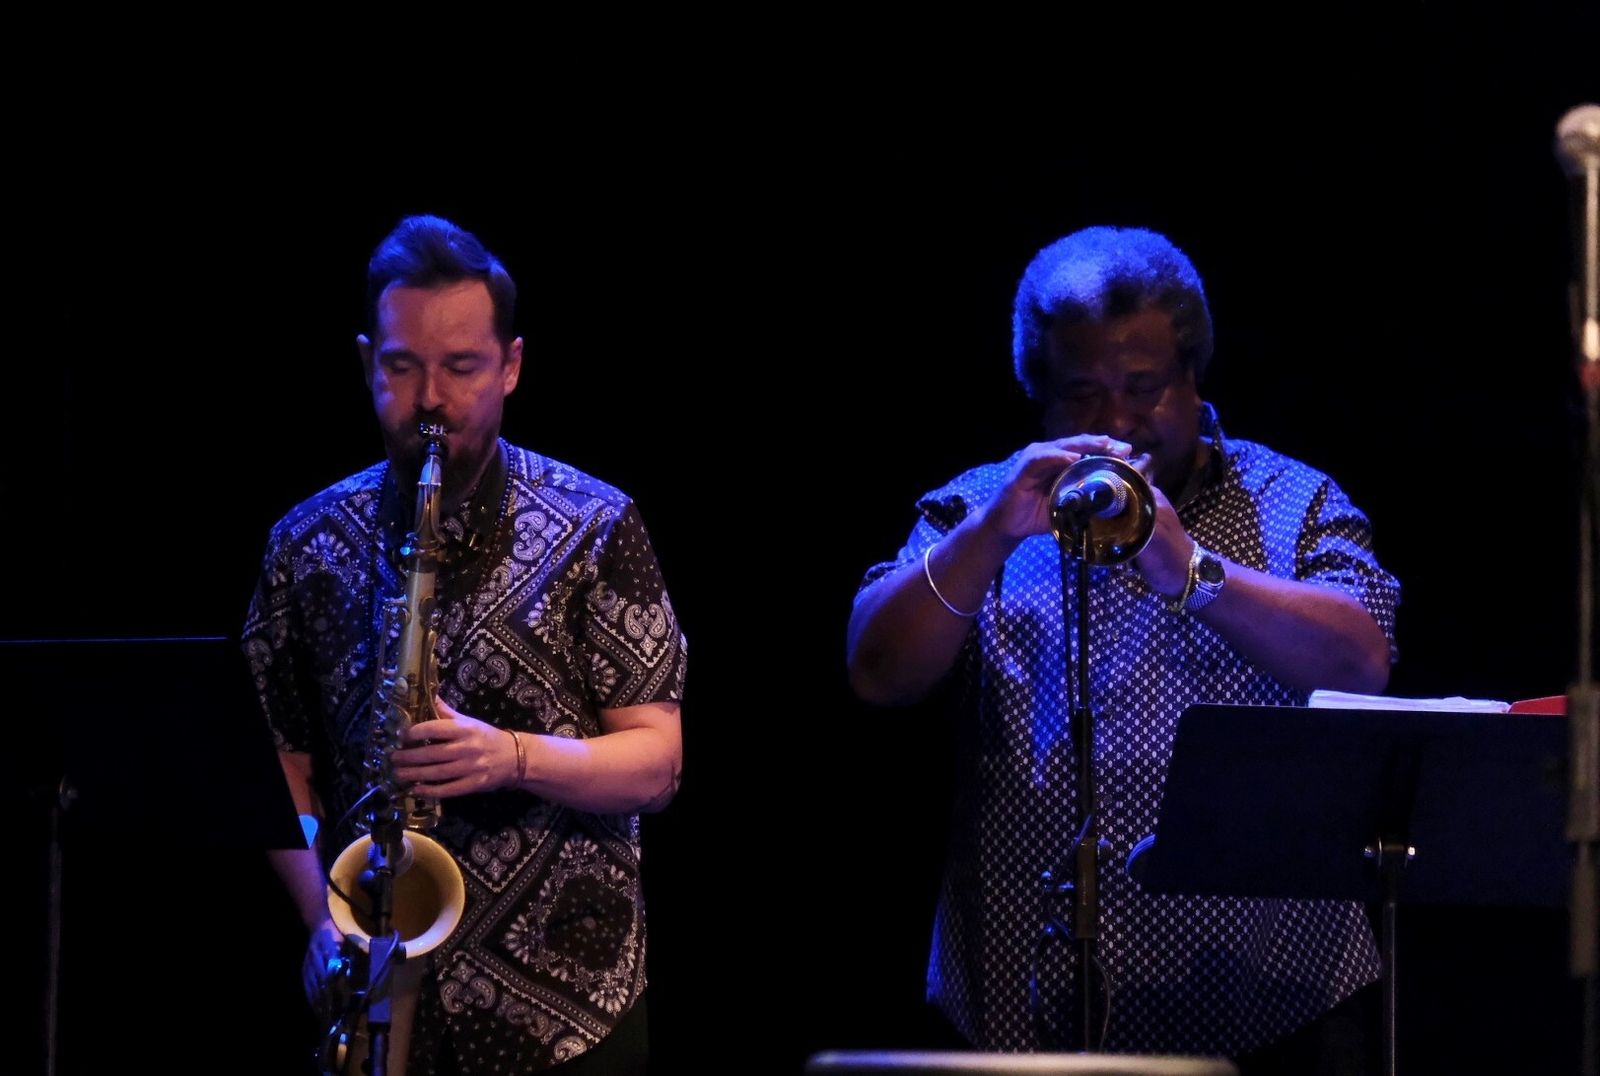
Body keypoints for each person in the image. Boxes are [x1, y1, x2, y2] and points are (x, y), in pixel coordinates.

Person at [846, 226, 1397, 1073]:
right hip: (1021, 1005)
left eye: (1143, 388)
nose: (1115, 422)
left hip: (1277, 1001)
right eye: (1081, 394)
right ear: (1038, 394)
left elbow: (1364, 661)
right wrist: (995, 532)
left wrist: (1193, 570)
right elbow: (878, 671)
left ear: (1193, 377)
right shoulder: (981, 506)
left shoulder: (1293, 500)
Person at [243, 214, 686, 1075]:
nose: (432, 399)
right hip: (372, 976)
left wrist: (509, 756)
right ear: (367, 360)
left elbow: (658, 763)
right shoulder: (305, 541)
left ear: (511, 366)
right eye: (403, 367)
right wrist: (322, 919)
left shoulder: (597, 525)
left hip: (565, 1005)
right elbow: (277, 762)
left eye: (461, 367)